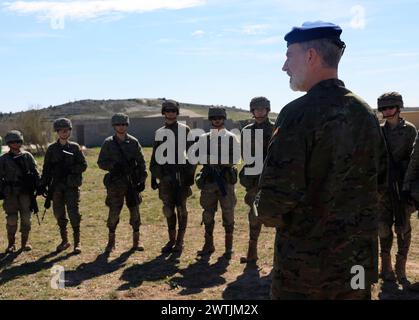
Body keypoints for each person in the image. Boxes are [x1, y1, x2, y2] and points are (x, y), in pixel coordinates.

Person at [255, 21, 387, 299]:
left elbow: (274, 202)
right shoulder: (365, 113)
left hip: (307, 271)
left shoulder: (297, 114)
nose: (284, 66)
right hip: (356, 266)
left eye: (289, 55)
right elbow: (381, 182)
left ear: (310, 56)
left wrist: (258, 207)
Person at [377, 92, 417, 284]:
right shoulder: (378, 131)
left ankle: (400, 267)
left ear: (399, 107)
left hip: (402, 187)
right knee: (383, 228)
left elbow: (414, 159)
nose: (387, 111)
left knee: (403, 228)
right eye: (383, 108)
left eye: (390, 107)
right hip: (383, 188)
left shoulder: (409, 130)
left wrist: (408, 185)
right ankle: (385, 267)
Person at [150, 100, 196, 254]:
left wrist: (189, 175)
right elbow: (155, 155)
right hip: (165, 177)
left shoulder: (185, 130)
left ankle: (180, 242)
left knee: (182, 209)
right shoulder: (160, 132)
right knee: (168, 209)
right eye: (168, 110)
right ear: (164, 112)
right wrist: (154, 175)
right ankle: (171, 239)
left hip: (181, 176)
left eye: (173, 110)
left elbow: (192, 154)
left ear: (177, 113)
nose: (171, 113)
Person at [97, 113, 148, 253]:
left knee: (135, 211)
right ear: (114, 126)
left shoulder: (133, 142)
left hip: (132, 183)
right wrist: (113, 166)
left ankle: (136, 241)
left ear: (127, 125)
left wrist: (142, 180)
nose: (121, 127)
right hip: (115, 184)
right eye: (119, 124)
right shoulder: (108, 143)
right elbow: (101, 162)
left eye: (124, 124)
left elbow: (142, 162)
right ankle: (111, 241)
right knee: (114, 211)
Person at [194, 107, 240, 258]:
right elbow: (198, 157)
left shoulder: (231, 138)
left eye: (219, 117)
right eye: (214, 118)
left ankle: (228, 248)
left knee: (228, 213)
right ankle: (208, 244)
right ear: (210, 120)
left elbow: (235, 159)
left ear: (224, 119)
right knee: (207, 213)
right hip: (209, 182)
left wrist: (213, 159)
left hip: (226, 182)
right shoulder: (204, 138)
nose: (217, 120)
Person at [39, 118, 87, 254]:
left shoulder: (75, 147)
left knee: (74, 214)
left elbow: (83, 165)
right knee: (59, 214)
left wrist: (70, 169)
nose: (64, 133)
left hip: (71, 185)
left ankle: (77, 242)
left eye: (67, 130)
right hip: (57, 187)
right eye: (61, 130)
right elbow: (46, 168)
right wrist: (43, 185)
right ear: (57, 132)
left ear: (70, 131)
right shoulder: (52, 149)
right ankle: (64, 241)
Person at [239, 97, 274, 264]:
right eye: (256, 109)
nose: (259, 112)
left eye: (262, 109)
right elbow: (245, 155)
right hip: (254, 180)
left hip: (272, 180)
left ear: (267, 110)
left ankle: (279, 258)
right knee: (254, 215)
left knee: (278, 215)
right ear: (252, 111)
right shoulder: (247, 130)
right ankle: (252, 252)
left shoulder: (276, 128)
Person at [0, 130, 40, 253]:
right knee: (11, 219)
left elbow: (36, 172)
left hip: (25, 193)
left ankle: (25, 242)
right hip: (10, 193)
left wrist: (37, 185)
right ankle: (11, 244)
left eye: (18, 141)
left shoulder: (27, 156)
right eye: (13, 142)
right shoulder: (4, 159)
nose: (16, 144)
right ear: (9, 143)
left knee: (26, 218)